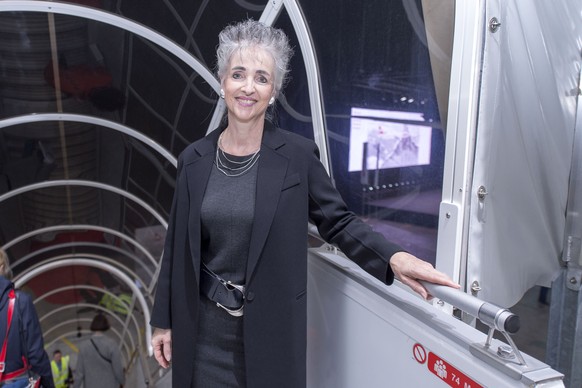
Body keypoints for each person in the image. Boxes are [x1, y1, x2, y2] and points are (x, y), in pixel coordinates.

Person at [150, 19, 459, 388]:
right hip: (201, 335)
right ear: (222, 81)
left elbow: (339, 222)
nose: (248, 87)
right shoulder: (194, 159)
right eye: (239, 74)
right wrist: (162, 320)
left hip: (269, 336)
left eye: (262, 78)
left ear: (274, 89)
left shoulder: (295, 158)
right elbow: (176, 249)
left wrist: (394, 257)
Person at [0, 249, 55, 387]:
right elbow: (35, 354)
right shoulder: (19, 301)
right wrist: (48, 384)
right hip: (18, 381)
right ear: (2, 267)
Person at [74, 314, 125, 388]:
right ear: (106, 325)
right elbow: (118, 369)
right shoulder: (112, 344)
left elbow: (79, 373)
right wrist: (122, 382)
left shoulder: (83, 346)